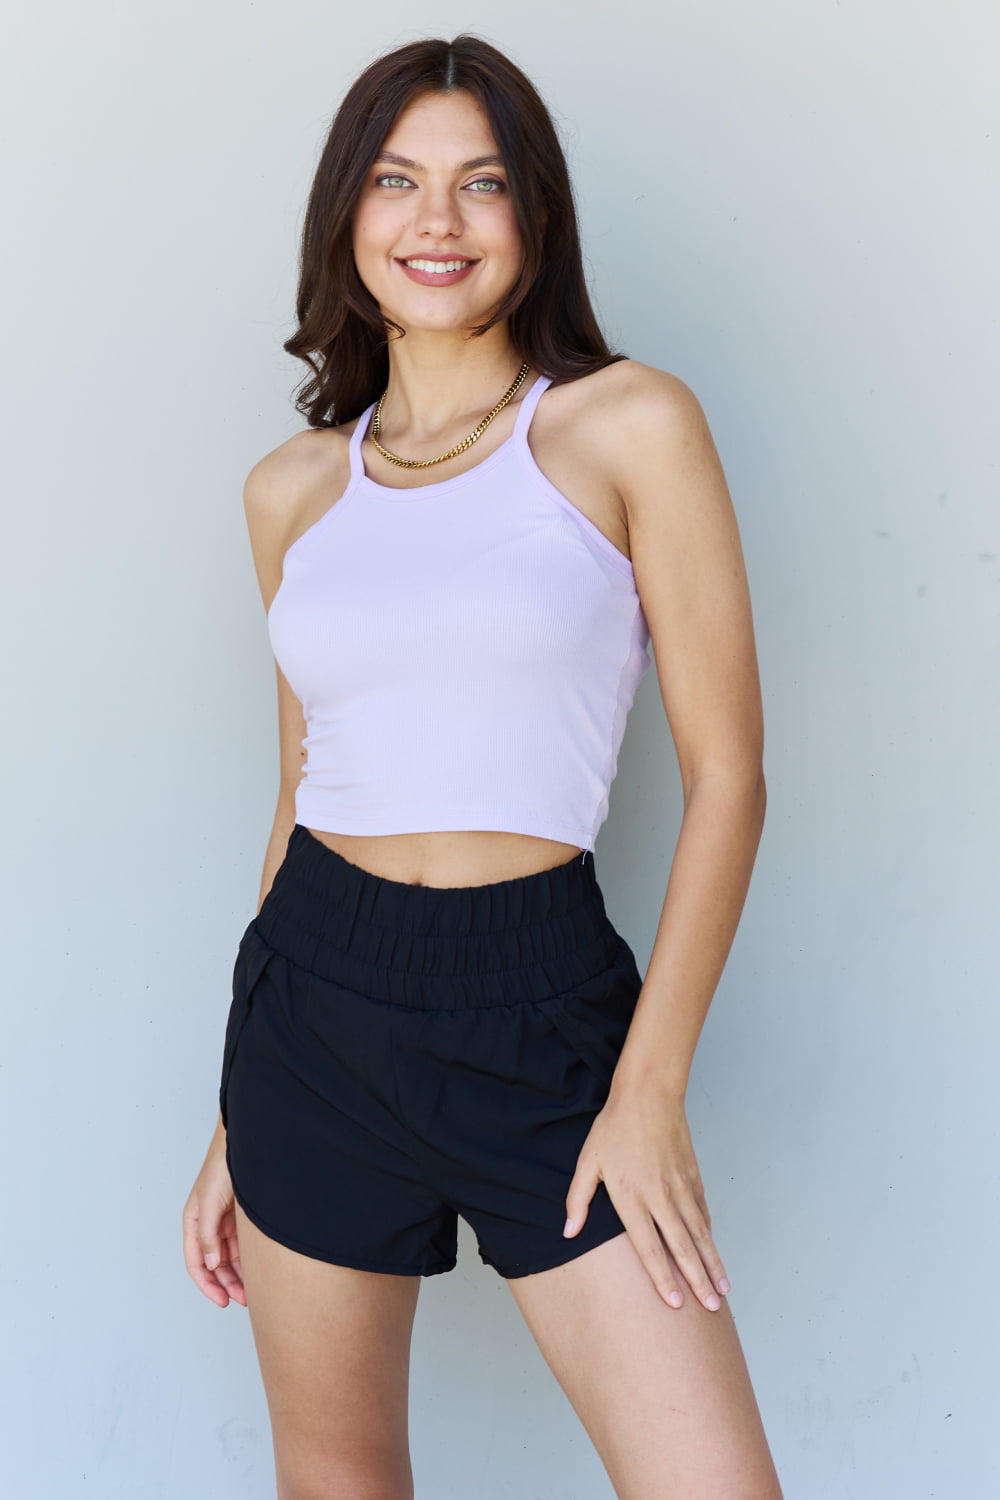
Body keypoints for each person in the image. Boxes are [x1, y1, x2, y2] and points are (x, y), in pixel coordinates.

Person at [182, 32, 783, 1500]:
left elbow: (732, 779)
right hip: (310, 1021)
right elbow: (304, 795)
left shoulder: (629, 424)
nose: (435, 222)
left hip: (546, 1017)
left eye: (481, 184)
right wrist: (229, 1122)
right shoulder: (291, 490)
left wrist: (648, 1092)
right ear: (349, 216)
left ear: (535, 217)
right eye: (397, 181)